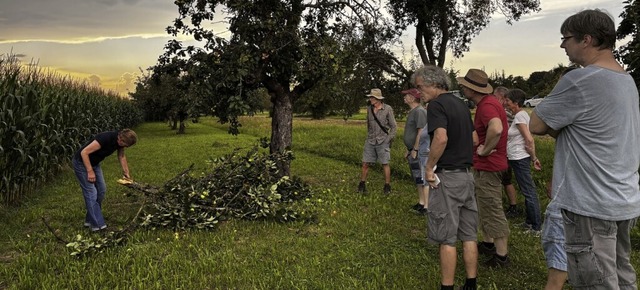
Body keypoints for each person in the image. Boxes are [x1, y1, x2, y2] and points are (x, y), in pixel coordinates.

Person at [530, 9, 640, 289]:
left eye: (566, 38)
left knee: (596, 283)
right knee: (621, 276)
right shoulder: (626, 80)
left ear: (586, 40)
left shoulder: (581, 80)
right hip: (622, 199)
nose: (562, 45)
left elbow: (536, 124)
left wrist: (561, 122)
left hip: (590, 203)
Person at [415, 65, 478, 290]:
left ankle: (447, 287)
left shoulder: (437, 105)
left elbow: (440, 138)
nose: (418, 92)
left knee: (446, 237)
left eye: (420, 87)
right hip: (467, 177)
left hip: (448, 178)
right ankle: (471, 284)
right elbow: (474, 139)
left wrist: (429, 168)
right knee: (469, 234)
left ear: (434, 84)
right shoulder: (461, 104)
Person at [458, 68, 510, 268]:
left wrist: (485, 150)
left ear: (473, 89)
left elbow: (496, 128)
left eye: (465, 86)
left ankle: (501, 256)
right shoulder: (488, 103)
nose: (462, 88)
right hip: (487, 166)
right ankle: (488, 244)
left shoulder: (487, 106)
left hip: (489, 166)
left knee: (492, 208)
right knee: (484, 206)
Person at [72, 129, 138, 231]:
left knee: (101, 190)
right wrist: (90, 171)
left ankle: (89, 220)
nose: (124, 147)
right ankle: (98, 226)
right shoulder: (105, 138)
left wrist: (126, 173)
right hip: (81, 163)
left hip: (95, 163)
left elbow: (121, 156)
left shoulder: (120, 143)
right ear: (120, 138)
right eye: (124, 144)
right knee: (91, 193)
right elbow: (84, 153)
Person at [504, 89, 542, 235]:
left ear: (516, 103)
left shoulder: (520, 116)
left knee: (529, 191)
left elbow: (529, 139)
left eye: (508, 101)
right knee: (526, 190)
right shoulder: (522, 115)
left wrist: (534, 158)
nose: (506, 103)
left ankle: (536, 226)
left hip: (520, 158)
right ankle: (529, 222)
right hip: (517, 158)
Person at [358, 88, 397, 195]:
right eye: (370, 97)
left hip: (382, 140)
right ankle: (362, 184)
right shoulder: (369, 109)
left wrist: (388, 140)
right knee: (365, 163)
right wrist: (369, 135)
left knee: (385, 163)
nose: (370, 99)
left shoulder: (387, 109)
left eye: (372, 97)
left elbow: (394, 127)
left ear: (378, 99)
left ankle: (387, 186)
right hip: (370, 140)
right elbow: (368, 125)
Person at [401, 88, 429, 214]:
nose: (404, 98)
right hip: (412, 150)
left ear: (412, 98)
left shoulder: (419, 112)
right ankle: (421, 201)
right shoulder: (413, 111)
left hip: (420, 151)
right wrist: (409, 149)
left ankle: (426, 205)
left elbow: (421, 132)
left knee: (422, 177)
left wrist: (416, 149)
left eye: (406, 96)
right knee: (417, 177)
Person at [493, 86, 518, 217]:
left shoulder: (503, 113)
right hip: (507, 151)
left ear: (502, 98)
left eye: (496, 98)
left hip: (505, 151)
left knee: (504, 180)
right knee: (506, 180)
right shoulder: (509, 113)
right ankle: (512, 205)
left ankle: (511, 206)